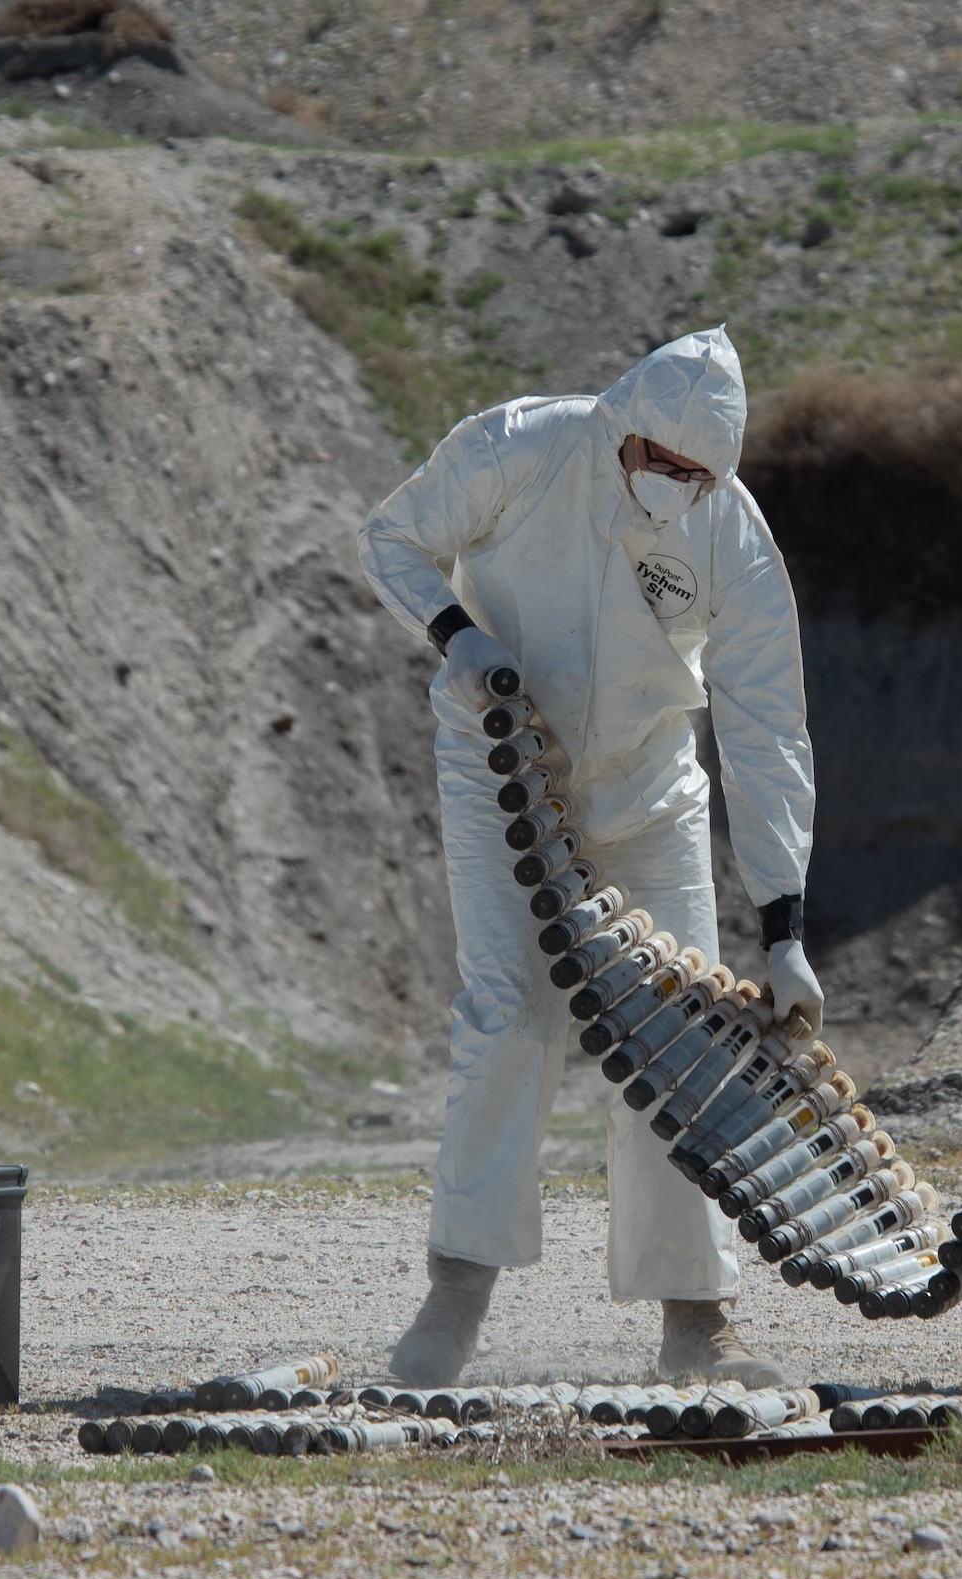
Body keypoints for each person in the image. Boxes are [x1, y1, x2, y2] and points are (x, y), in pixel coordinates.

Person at [356, 327, 821, 1388]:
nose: (673, 485)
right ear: (623, 429)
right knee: (511, 1014)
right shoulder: (523, 446)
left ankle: (696, 1323)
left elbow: (765, 727)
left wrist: (785, 924)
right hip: (501, 769)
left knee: (679, 1044)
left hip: (647, 796)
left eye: (696, 475)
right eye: (659, 462)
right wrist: (455, 634)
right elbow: (390, 537)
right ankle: (454, 1297)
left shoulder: (730, 537)